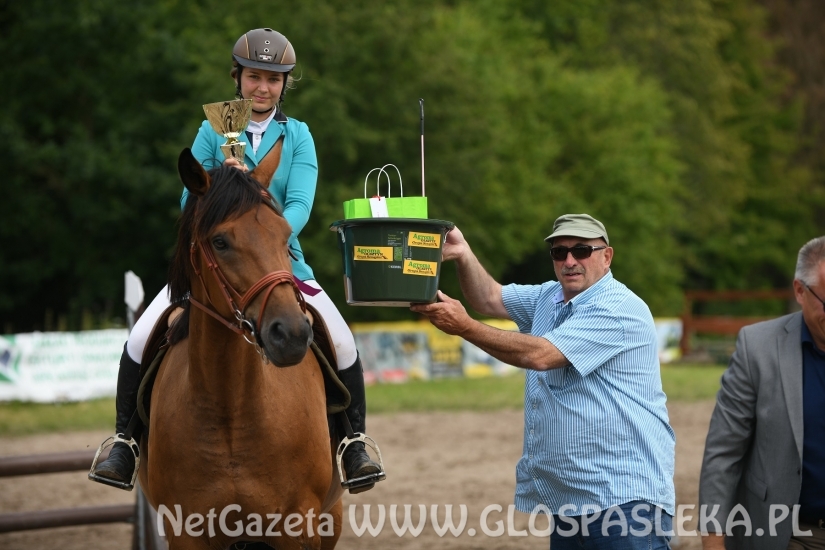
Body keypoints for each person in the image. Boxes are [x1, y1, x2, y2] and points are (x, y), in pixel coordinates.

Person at [92, 28, 383, 493]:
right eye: (253, 77)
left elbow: (301, 205)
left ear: (285, 84)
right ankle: (124, 441)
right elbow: (189, 197)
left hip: (280, 259)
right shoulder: (212, 129)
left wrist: (262, 220)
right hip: (212, 262)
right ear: (238, 78)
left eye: (273, 79)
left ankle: (354, 443)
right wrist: (219, 181)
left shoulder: (299, 136)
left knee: (343, 341)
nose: (262, 87)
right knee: (140, 336)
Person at [411, 213, 676, 548]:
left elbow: (540, 356)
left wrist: (465, 327)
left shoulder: (618, 308)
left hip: (623, 500)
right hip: (571, 502)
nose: (569, 261)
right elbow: (489, 298)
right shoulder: (549, 297)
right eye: (558, 252)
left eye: (582, 251)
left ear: (606, 256)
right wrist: (463, 253)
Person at [699, 236, 825, 550]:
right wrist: (713, 541)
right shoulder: (757, 348)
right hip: (793, 535)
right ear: (799, 290)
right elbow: (723, 453)